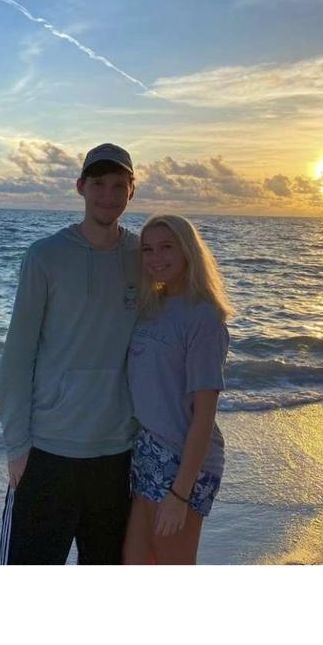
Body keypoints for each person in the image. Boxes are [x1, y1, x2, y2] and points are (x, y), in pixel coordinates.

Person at [0, 143, 140, 565]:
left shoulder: (143, 257)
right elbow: (17, 357)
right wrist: (17, 447)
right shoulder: (45, 256)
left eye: (119, 185)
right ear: (80, 187)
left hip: (117, 456)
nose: (108, 195)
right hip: (48, 453)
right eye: (98, 184)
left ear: (132, 191)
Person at [123, 214, 231, 565]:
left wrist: (180, 494)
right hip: (146, 452)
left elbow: (205, 412)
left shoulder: (203, 316)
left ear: (187, 251)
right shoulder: (151, 306)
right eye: (148, 249)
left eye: (167, 247)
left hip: (183, 460)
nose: (156, 258)